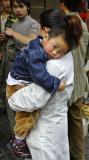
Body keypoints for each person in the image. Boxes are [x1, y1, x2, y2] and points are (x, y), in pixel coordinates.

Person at [8, 8, 83, 160]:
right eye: (55, 47)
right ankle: (18, 140)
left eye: (59, 50)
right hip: (55, 125)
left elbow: (32, 99)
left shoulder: (53, 65)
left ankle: (17, 141)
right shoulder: (59, 54)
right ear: (45, 33)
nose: (55, 54)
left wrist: (11, 100)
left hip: (45, 132)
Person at [2, 0, 39, 132]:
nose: (17, 9)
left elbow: (32, 41)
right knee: (11, 102)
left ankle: (24, 137)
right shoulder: (14, 24)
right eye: (15, 6)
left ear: (28, 7)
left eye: (21, 6)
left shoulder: (33, 23)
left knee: (25, 105)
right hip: (11, 67)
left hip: (26, 72)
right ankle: (15, 136)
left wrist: (13, 34)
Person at [59, 0, 89, 160]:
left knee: (64, 123)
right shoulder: (82, 24)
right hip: (79, 81)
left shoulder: (64, 22)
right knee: (76, 122)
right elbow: (86, 56)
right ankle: (78, 156)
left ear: (63, 3)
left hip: (65, 83)